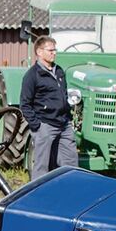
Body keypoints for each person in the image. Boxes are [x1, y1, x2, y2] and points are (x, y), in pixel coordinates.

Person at [19, 35, 76, 178]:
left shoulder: (59, 71)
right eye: (50, 50)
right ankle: (39, 191)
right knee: (42, 166)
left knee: (71, 164)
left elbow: (64, 96)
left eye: (55, 50)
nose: (54, 53)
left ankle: (70, 188)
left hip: (64, 124)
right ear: (39, 52)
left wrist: (68, 118)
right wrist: (37, 126)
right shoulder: (32, 75)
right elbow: (25, 104)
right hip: (45, 125)